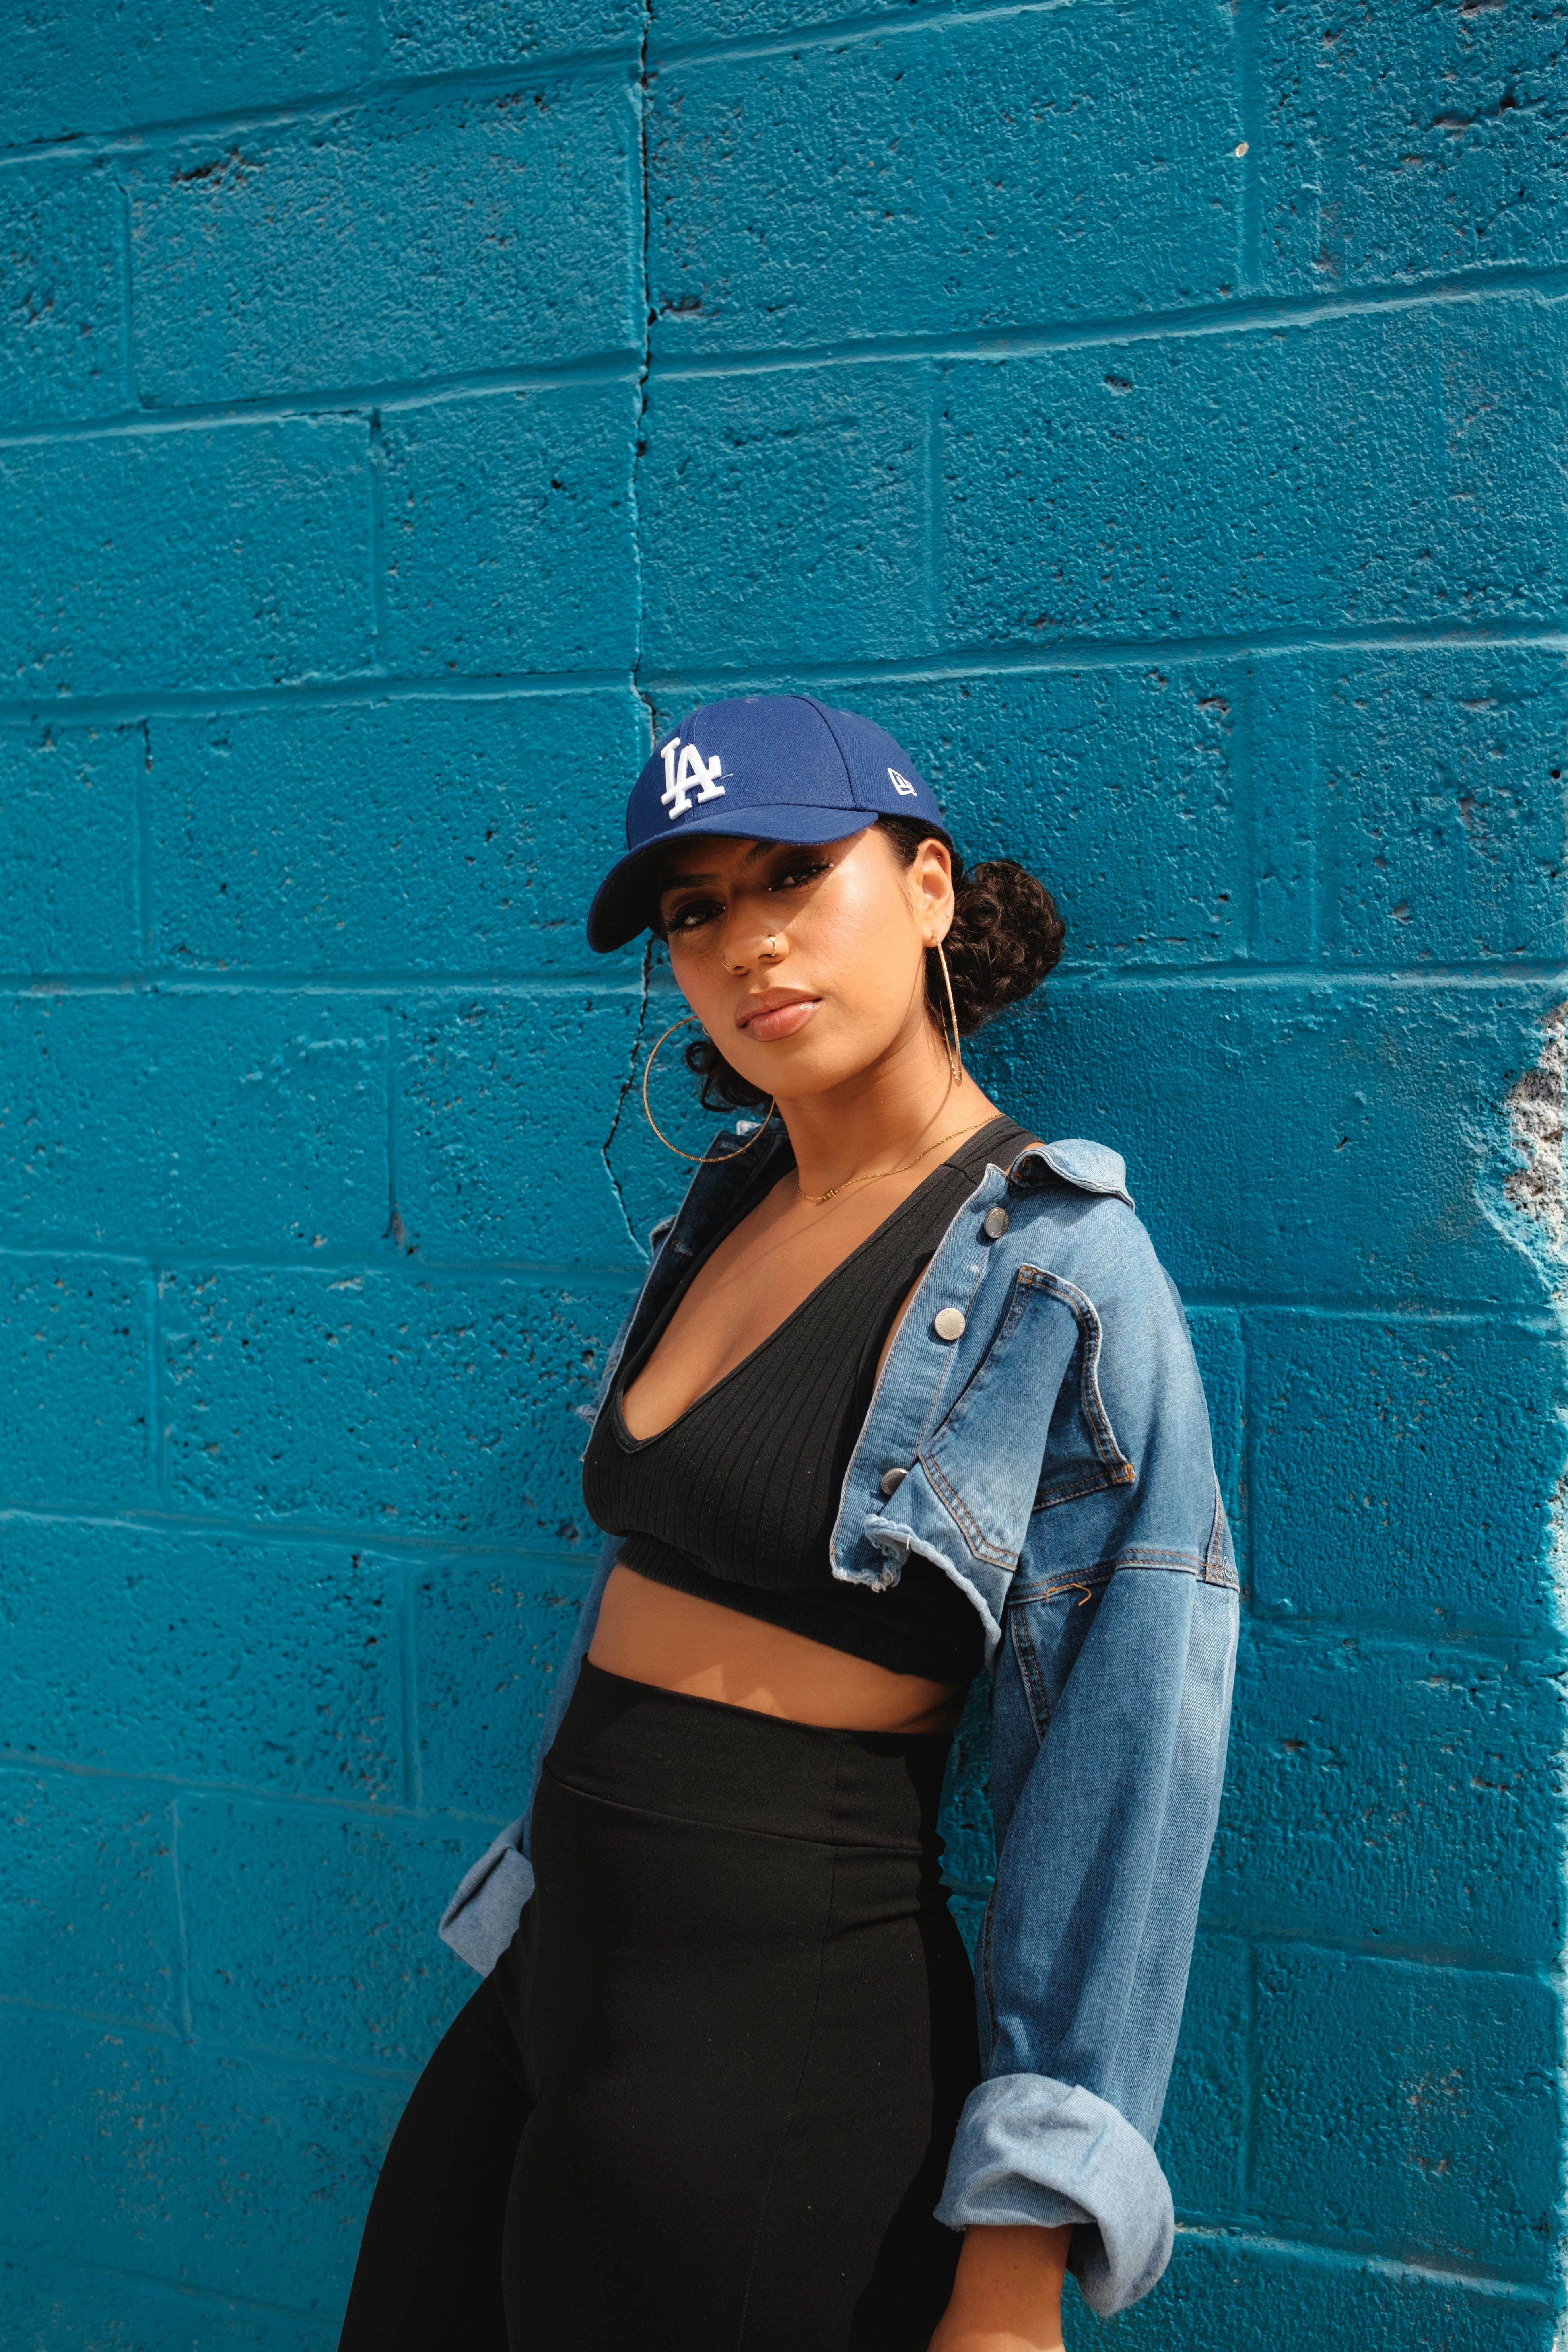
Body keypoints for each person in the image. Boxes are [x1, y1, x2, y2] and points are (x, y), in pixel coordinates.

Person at [338, 695, 1238, 2352]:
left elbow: (1121, 1785)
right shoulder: (726, 1200)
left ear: (927, 888)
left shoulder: (1064, 1278)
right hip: (556, 1973)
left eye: (795, 877)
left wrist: (1015, 2259)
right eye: (697, 912)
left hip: (774, 2040)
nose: (748, 944)